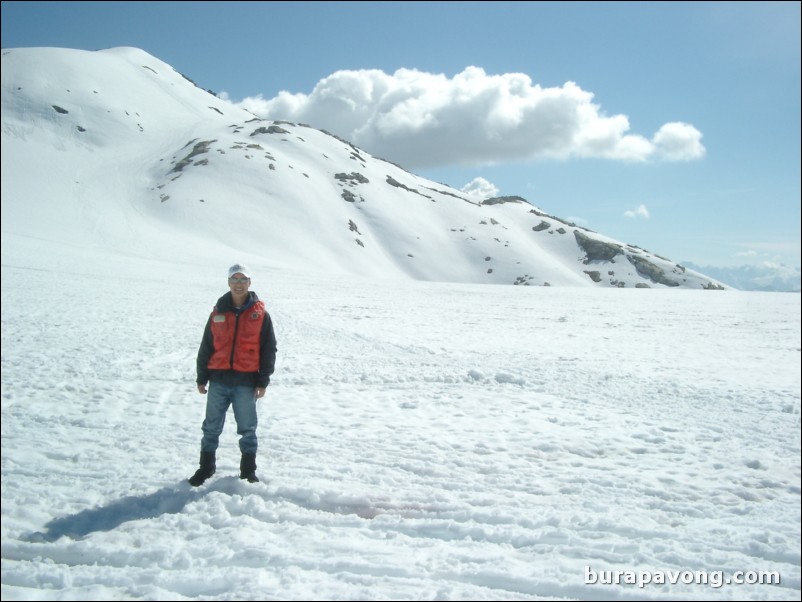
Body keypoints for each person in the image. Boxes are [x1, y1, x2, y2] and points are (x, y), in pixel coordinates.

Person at [189, 263, 277, 486]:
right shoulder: (218, 312)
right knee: (211, 427)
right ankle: (206, 468)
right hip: (218, 380)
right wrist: (201, 377)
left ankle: (248, 471)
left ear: (249, 283)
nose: (238, 284)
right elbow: (206, 346)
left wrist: (263, 381)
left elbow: (268, 349)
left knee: (247, 429)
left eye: (243, 279)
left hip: (245, 382)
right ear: (229, 283)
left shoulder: (260, 315)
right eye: (234, 279)